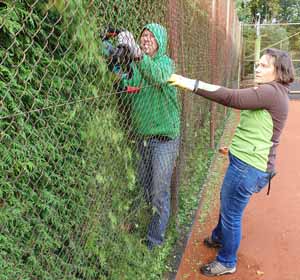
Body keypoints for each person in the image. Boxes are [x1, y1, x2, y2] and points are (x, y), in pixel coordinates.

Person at [168, 48, 295, 276]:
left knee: (231, 214)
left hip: (248, 167)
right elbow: (260, 130)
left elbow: (231, 98)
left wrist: (190, 83)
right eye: (257, 63)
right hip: (248, 162)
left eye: (264, 65)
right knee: (228, 205)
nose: (257, 67)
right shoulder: (274, 92)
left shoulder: (271, 92)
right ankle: (219, 236)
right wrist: (234, 149)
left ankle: (227, 261)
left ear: (278, 71)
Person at [116, 23, 181, 250]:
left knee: (158, 193)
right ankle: (146, 226)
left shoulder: (165, 64)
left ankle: (154, 242)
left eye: (152, 36)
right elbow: (127, 97)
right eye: (143, 35)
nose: (146, 39)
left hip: (164, 140)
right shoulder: (137, 69)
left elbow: (155, 77)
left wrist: (135, 53)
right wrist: (118, 75)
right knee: (144, 188)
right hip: (142, 139)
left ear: (161, 42)